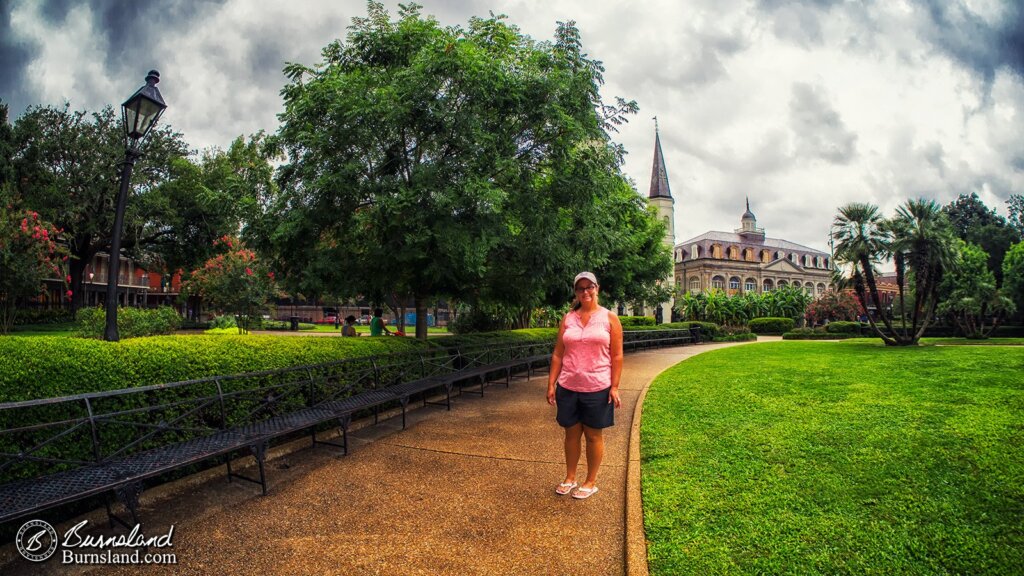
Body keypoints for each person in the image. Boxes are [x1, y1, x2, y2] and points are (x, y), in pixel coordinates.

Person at [546, 271, 623, 499]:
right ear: (576, 292)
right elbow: (558, 354)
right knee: (571, 434)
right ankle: (570, 477)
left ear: (597, 288)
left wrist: (615, 386)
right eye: (580, 288)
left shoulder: (609, 318)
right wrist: (552, 383)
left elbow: (617, 355)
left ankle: (591, 481)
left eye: (589, 287)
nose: (585, 292)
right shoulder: (568, 318)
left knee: (592, 436)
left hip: (597, 387)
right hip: (568, 386)